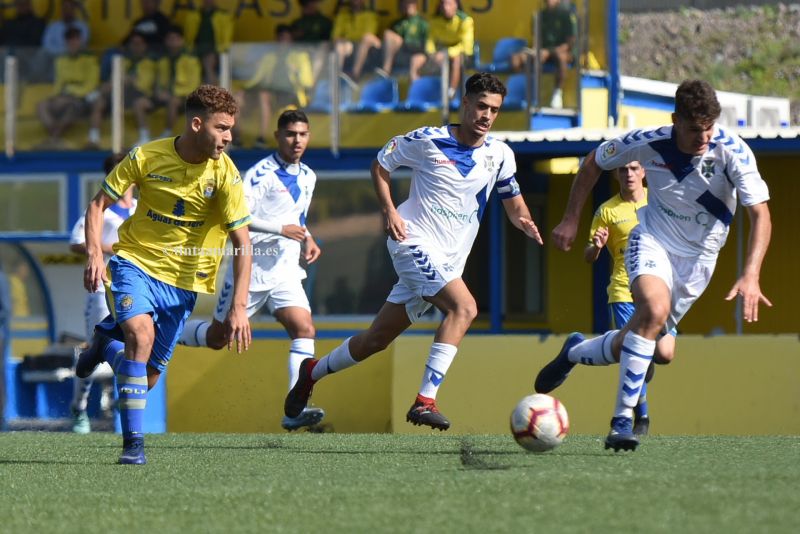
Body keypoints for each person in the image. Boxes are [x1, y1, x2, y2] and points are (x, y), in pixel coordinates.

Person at [284, 72, 544, 430]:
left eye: (494, 110)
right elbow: (381, 165)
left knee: (376, 339)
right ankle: (425, 400)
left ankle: (311, 372)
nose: (486, 115)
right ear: (465, 103)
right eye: (481, 106)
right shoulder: (427, 139)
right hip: (412, 242)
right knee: (464, 307)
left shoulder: (499, 155)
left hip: (448, 262)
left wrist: (526, 222)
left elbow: (514, 204)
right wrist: (389, 211)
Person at [536, 79, 772, 452]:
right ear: (675, 120)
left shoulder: (733, 153)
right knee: (653, 312)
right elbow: (594, 162)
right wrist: (570, 218)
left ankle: (574, 351)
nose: (703, 138)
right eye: (694, 129)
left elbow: (760, 214)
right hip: (651, 241)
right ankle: (621, 422)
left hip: (698, 263)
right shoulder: (647, 142)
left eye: (709, 128)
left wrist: (751, 273)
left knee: (642, 345)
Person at [74, 85, 253, 465]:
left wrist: (239, 306)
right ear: (196, 123)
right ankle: (133, 446)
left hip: (183, 284)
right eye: (222, 128)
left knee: (147, 377)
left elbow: (243, 242)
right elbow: (97, 204)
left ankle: (104, 345)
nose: (229, 137)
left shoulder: (226, 175)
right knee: (140, 335)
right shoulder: (146, 157)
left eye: (231, 129)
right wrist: (94, 253)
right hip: (134, 264)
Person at [180, 109, 325, 431]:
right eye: (290, 134)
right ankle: (173, 332)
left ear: (308, 137)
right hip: (252, 269)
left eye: (302, 134)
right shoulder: (261, 174)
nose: (296, 140)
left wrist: (308, 238)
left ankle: (294, 408)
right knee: (219, 338)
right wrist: (279, 229)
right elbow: (237, 217)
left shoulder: (309, 176)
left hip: (286, 269)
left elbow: (297, 217)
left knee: (304, 329)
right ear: (277, 137)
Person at [584, 161, 676, 436]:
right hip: (624, 291)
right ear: (616, 174)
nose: (628, 174)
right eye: (623, 169)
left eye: (634, 168)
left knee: (664, 354)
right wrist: (596, 247)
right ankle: (642, 415)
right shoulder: (607, 210)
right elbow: (587, 255)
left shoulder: (658, 200)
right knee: (636, 351)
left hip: (659, 288)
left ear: (644, 172)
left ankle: (641, 366)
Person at [68, 153, 136, 434]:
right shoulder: (100, 209)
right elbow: (75, 243)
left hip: (134, 287)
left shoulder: (141, 209)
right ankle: (79, 407)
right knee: (94, 350)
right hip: (101, 287)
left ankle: (128, 402)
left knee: (137, 343)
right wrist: (109, 249)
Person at [236, 25, 313, 148]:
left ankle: (261, 138)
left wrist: (296, 72)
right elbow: (257, 78)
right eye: (281, 39)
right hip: (270, 93)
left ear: (291, 40)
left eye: (286, 39)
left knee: (263, 95)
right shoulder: (269, 57)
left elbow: (307, 82)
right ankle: (237, 138)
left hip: (290, 93)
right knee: (238, 96)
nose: (283, 42)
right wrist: (244, 89)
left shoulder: (300, 57)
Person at [88, 31, 157, 148]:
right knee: (99, 102)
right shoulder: (123, 61)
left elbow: (143, 85)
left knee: (138, 103)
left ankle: (145, 137)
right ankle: (93, 138)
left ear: (145, 46)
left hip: (142, 95)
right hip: (121, 94)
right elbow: (113, 79)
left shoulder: (150, 63)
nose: (136, 47)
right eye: (133, 44)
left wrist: (125, 80)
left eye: (139, 44)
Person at [36, 27, 99, 149]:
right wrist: (56, 97)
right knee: (42, 105)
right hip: (63, 96)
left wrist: (70, 94)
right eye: (70, 40)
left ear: (81, 41)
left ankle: (54, 138)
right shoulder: (61, 60)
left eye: (76, 39)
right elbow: (59, 82)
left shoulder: (91, 59)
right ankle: (54, 136)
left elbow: (91, 84)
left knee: (71, 107)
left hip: (82, 97)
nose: (73, 43)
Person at [510, 0, 576, 109]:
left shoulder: (567, 16)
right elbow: (536, 40)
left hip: (561, 52)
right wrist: (534, 51)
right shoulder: (539, 15)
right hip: (542, 52)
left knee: (561, 57)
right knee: (516, 58)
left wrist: (548, 51)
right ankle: (519, 92)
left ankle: (557, 93)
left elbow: (569, 45)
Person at [153, 26, 202, 139]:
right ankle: (144, 135)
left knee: (173, 101)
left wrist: (175, 94)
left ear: (182, 41)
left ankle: (167, 132)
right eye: (170, 39)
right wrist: (159, 92)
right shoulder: (162, 61)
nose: (172, 42)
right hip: (166, 96)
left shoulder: (191, 60)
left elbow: (194, 84)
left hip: (185, 96)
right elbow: (159, 82)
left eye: (175, 39)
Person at [426, 0, 474, 100]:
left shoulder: (465, 20)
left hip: (461, 55)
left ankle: (451, 92)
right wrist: (432, 54)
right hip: (440, 52)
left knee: (456, 59)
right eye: (443, 4)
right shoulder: (434, 21)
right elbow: (430, 41)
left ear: (456, 5)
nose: (445, 7)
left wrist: (446, 53)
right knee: (418, 59)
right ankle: (425, 91)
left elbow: (466, 47)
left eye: (449, 4)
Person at [375, 0, 429, 82]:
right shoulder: (396, 23)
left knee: (416, 61)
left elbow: (426, 45)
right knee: (388, 34)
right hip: (399, 56)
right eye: (404, 2)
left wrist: (406, 44)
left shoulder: (422, 23)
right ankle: (386, 70)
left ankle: (415, 90)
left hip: (416, 55)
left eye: (410, 2)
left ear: (416, 4)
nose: (407, 5)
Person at [182, 0, 234, 85]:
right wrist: (189, 48)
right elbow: (188, 33)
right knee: (195, 69)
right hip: (196, 49)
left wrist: (221, 50)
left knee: (208, 66)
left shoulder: (222, 15)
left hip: (214, 49)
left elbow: (226, 36)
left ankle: (212, 91)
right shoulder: (194, 14)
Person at [331, 0, 379, 80]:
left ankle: (355, 73)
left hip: (367, 49)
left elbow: (370, 34)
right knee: (340, 43)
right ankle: (337, 76)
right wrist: (347, 42)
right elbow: (335, 35)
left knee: (367, 38)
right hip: (348, 46)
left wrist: (351, 41)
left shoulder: (371, 15)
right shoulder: (343, 15)